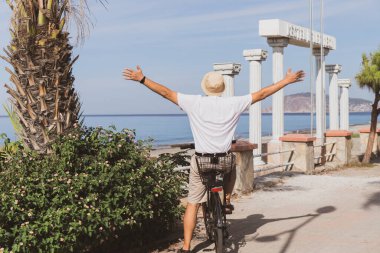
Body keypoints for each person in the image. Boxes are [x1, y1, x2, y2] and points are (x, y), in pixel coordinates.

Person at [123, 66, 304, 253]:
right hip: (224, 161)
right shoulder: (234, 103)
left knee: (192, 203)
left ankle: (186, 247)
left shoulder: (193, 102)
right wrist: (287, 81)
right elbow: (263, 93)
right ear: (222, 88)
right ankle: (226, 198)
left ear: (205, 87)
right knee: (231, 164)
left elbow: (165, 92)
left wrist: (142, 79)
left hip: (201, 162)